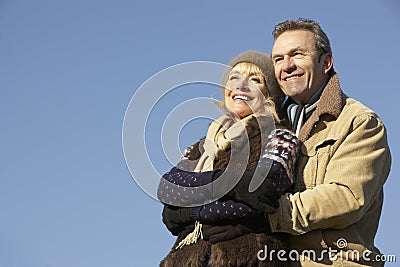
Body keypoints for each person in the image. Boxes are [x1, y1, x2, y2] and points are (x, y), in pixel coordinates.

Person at [262, 18, 391, 266]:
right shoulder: (267, 125)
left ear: (326, 62)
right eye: (278, 59)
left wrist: (264, 214)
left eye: (297, 54)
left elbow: (346, 197)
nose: (286, 66)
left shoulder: (359, 121)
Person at [158, 51, 299, 267]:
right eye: (235, 78)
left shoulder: (280, 137)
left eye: (254, 80)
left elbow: (262, 193)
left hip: (250, 258)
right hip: (186, 259)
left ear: (269, 94)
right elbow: (167, 189)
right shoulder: (201, 147)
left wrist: (189, 211)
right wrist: (233, 186)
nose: (241, 86)